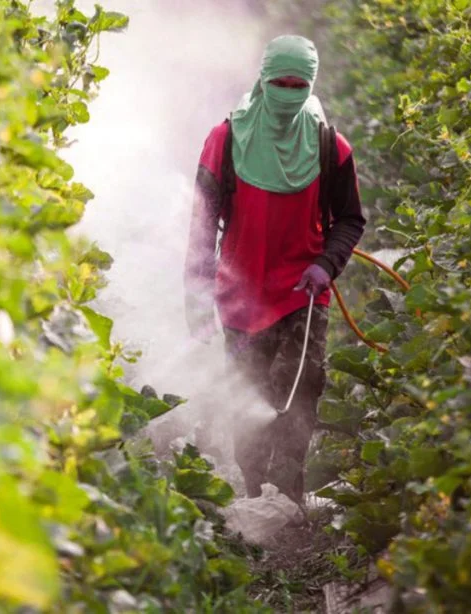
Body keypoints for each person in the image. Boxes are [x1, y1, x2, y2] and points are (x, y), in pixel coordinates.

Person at [183, 35, 365, 505]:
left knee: (301, 388)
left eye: (297, 85)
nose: (287, 93)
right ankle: (252, 490)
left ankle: (290, 494)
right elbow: (202, 227)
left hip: (303, 293)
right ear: (263, 81)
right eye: (279, 83)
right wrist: (197, 300)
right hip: (240, 297)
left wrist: (327, 265)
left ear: (311, 85)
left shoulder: (331, 147)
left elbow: (350, 219)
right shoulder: (224, 141)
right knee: (250, 397)